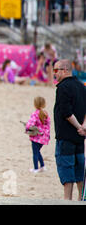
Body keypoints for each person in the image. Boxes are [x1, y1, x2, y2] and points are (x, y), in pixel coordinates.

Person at [53, 59, 86, 200]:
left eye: (56, 70)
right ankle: (81, 200)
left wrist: (79, 126)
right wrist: (84, 126)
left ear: (65, 70)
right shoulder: (81, 86)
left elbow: (66, 112)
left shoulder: (62, 87)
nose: (54, 74)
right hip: (79, 138)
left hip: (66, 137)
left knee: (67, 173)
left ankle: (67, 201)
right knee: (79, 171)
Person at [25, 96, 51, 174]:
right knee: (38, 152)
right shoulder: (45, 113)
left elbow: (30, 124)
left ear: (35, 104)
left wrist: (26, 128)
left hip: (36, 137)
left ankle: (36, 168)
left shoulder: (35, 113)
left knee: (35, 153)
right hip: (44, 137)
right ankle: (43, 166)